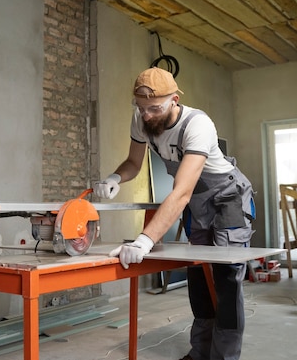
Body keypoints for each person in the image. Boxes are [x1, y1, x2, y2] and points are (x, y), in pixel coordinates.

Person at [93, 67, 255, 360]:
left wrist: (144, 240)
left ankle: (224, 357)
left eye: (154, 109)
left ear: (175, 100)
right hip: (197, 202)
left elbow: (181, 191)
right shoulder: (141, 119)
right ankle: (199, 352)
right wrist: (114, 178)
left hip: (227, 198)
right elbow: (133, 161)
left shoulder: (198, 125)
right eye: (140, 108)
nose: (146, 116)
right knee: (198, 275)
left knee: (226, 280)